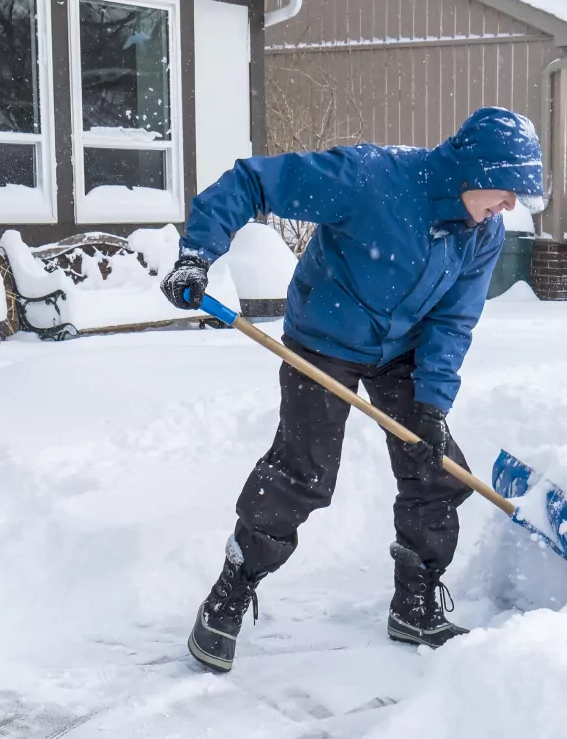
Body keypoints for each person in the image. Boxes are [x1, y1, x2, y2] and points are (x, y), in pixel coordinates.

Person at [160, 107, 544, 672]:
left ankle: (414, 605)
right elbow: (252, 181)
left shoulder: (481, 233)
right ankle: (230, 593)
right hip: (325, 337)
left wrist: (432, 407)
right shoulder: (371, 178)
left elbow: (454, 321)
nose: (511, 206)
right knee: (303, 472)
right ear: (474, 170)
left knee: (435, 470)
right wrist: (197, 255)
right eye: (508, 189)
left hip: (402, 348)